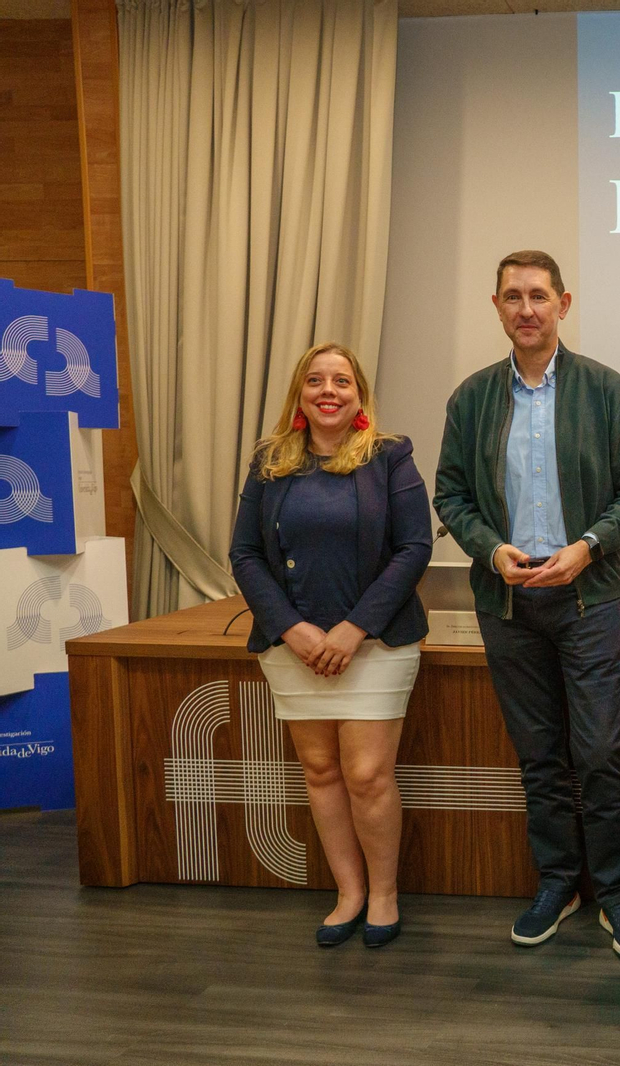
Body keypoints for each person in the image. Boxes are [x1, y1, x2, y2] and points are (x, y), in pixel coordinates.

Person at [433, 249, 620, 959]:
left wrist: (588, 546)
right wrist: (490, 549)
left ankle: (616, 892)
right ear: (496, 306)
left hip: (588, 600)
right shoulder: (471, 399)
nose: (526, 308)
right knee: (538, 757)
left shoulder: (605, 389)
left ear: (564, 304)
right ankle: (558, 883)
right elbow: (451, 496)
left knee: (596, 754)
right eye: (513, 296)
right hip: (507, 605)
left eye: (539, 295)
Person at [229, 341, 432, 949]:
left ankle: (385, 896)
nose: (328, 390)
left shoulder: (390, 458)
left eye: (342, 381)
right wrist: (292, 628)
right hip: (293, 647)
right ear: (299, 393)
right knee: (320, 771)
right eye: (315, 380)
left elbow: (414, 549)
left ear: (360, 395)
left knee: (367, 774)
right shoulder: (271, 462)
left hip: (376, 644)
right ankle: (349, 893)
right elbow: (243, 553)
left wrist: (354, 628)